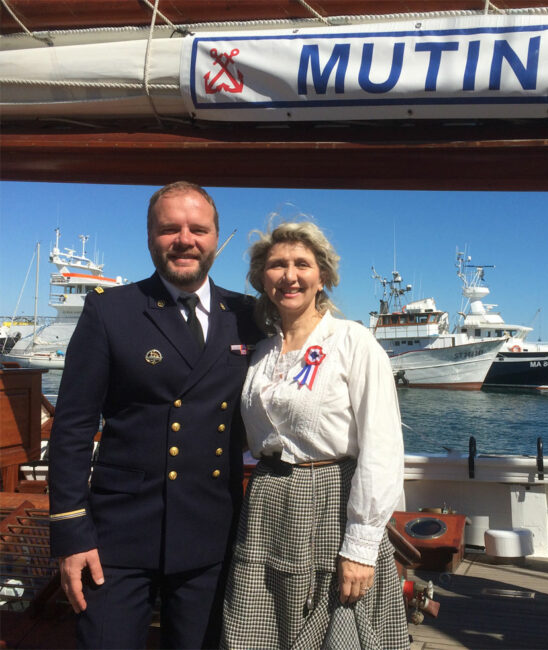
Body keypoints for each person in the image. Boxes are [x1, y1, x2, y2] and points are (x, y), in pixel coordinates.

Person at [48, 181, 261, 649]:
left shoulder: (246, 315)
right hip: (116, 538)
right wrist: (70, 531)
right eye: (170, 229)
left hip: (211, 535)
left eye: (198, 229)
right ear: (150, 237)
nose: (184, 239)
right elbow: (73, 428)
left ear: (214, 238)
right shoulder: (112, 312)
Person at [222, 221, 409, 649]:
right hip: (267, 501)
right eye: (277, 265)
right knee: (255, 629)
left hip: (331, 501)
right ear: (261, 279)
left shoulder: (353, 342)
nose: (289, 276)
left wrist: (360, 547)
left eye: (301, 264)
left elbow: (382, 446)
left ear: (321, 276)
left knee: (332, 630)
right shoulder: (262, 352)